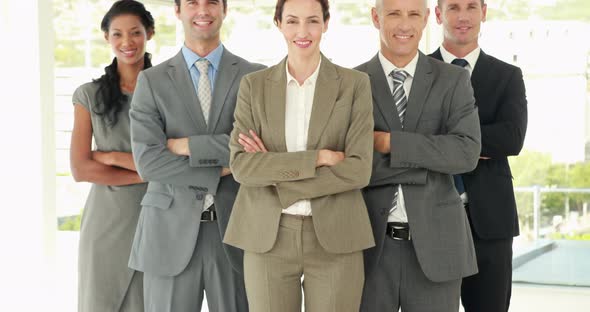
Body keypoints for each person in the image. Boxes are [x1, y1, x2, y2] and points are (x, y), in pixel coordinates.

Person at [222, 0, 375, 311]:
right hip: (268, 235)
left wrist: (279, 178)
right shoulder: (253, 86)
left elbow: (359, 170)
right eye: (292, 21)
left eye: (312, 21)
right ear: (278, 23)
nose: (302, 31)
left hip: (337, 235)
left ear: (326, 23)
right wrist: (318, 157)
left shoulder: (355, 84)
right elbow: (243, 167)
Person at [128, 0, 265, 311]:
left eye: (212, 2)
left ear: (225, 9)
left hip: (237, 231)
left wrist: (185, 145)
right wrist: (225, 168)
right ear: (177, 11)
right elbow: (149, 163)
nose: (203, 10)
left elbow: (261, 147)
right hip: (168, 232)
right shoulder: (151, 81)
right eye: (193, 2)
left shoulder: (255, 77)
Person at [355, 0, 482, 311]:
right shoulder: (351, 83)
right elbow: (351, 166)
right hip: (369, 248)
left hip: (438, 248)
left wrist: (389, 144)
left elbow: (465, 153)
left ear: (426, 19)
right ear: (376, 17)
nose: (404, 25)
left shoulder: (452, 80)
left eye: (413, 14)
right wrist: (427, 163)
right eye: (394, 13)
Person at [430, 1, 528, 311]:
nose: (462, 16)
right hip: (428, 216)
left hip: (490, 221)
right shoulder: (418, 71)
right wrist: (476, 144)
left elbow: (511, 139)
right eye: (454, 7)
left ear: (483, 12)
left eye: (471, 7)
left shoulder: (507, 75)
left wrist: (443, 143)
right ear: (437, 14)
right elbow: (410, 137)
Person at [70, 1, 154, 311]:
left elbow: (176, 161)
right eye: (117, 34)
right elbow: (81, 169)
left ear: (150, 34)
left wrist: (113, 157)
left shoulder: (168, 91)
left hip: (158, 217)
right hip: (106, 223)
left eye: (135, 33)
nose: (127, 42)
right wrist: (145, 173)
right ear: (107, 37)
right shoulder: (88, 95)